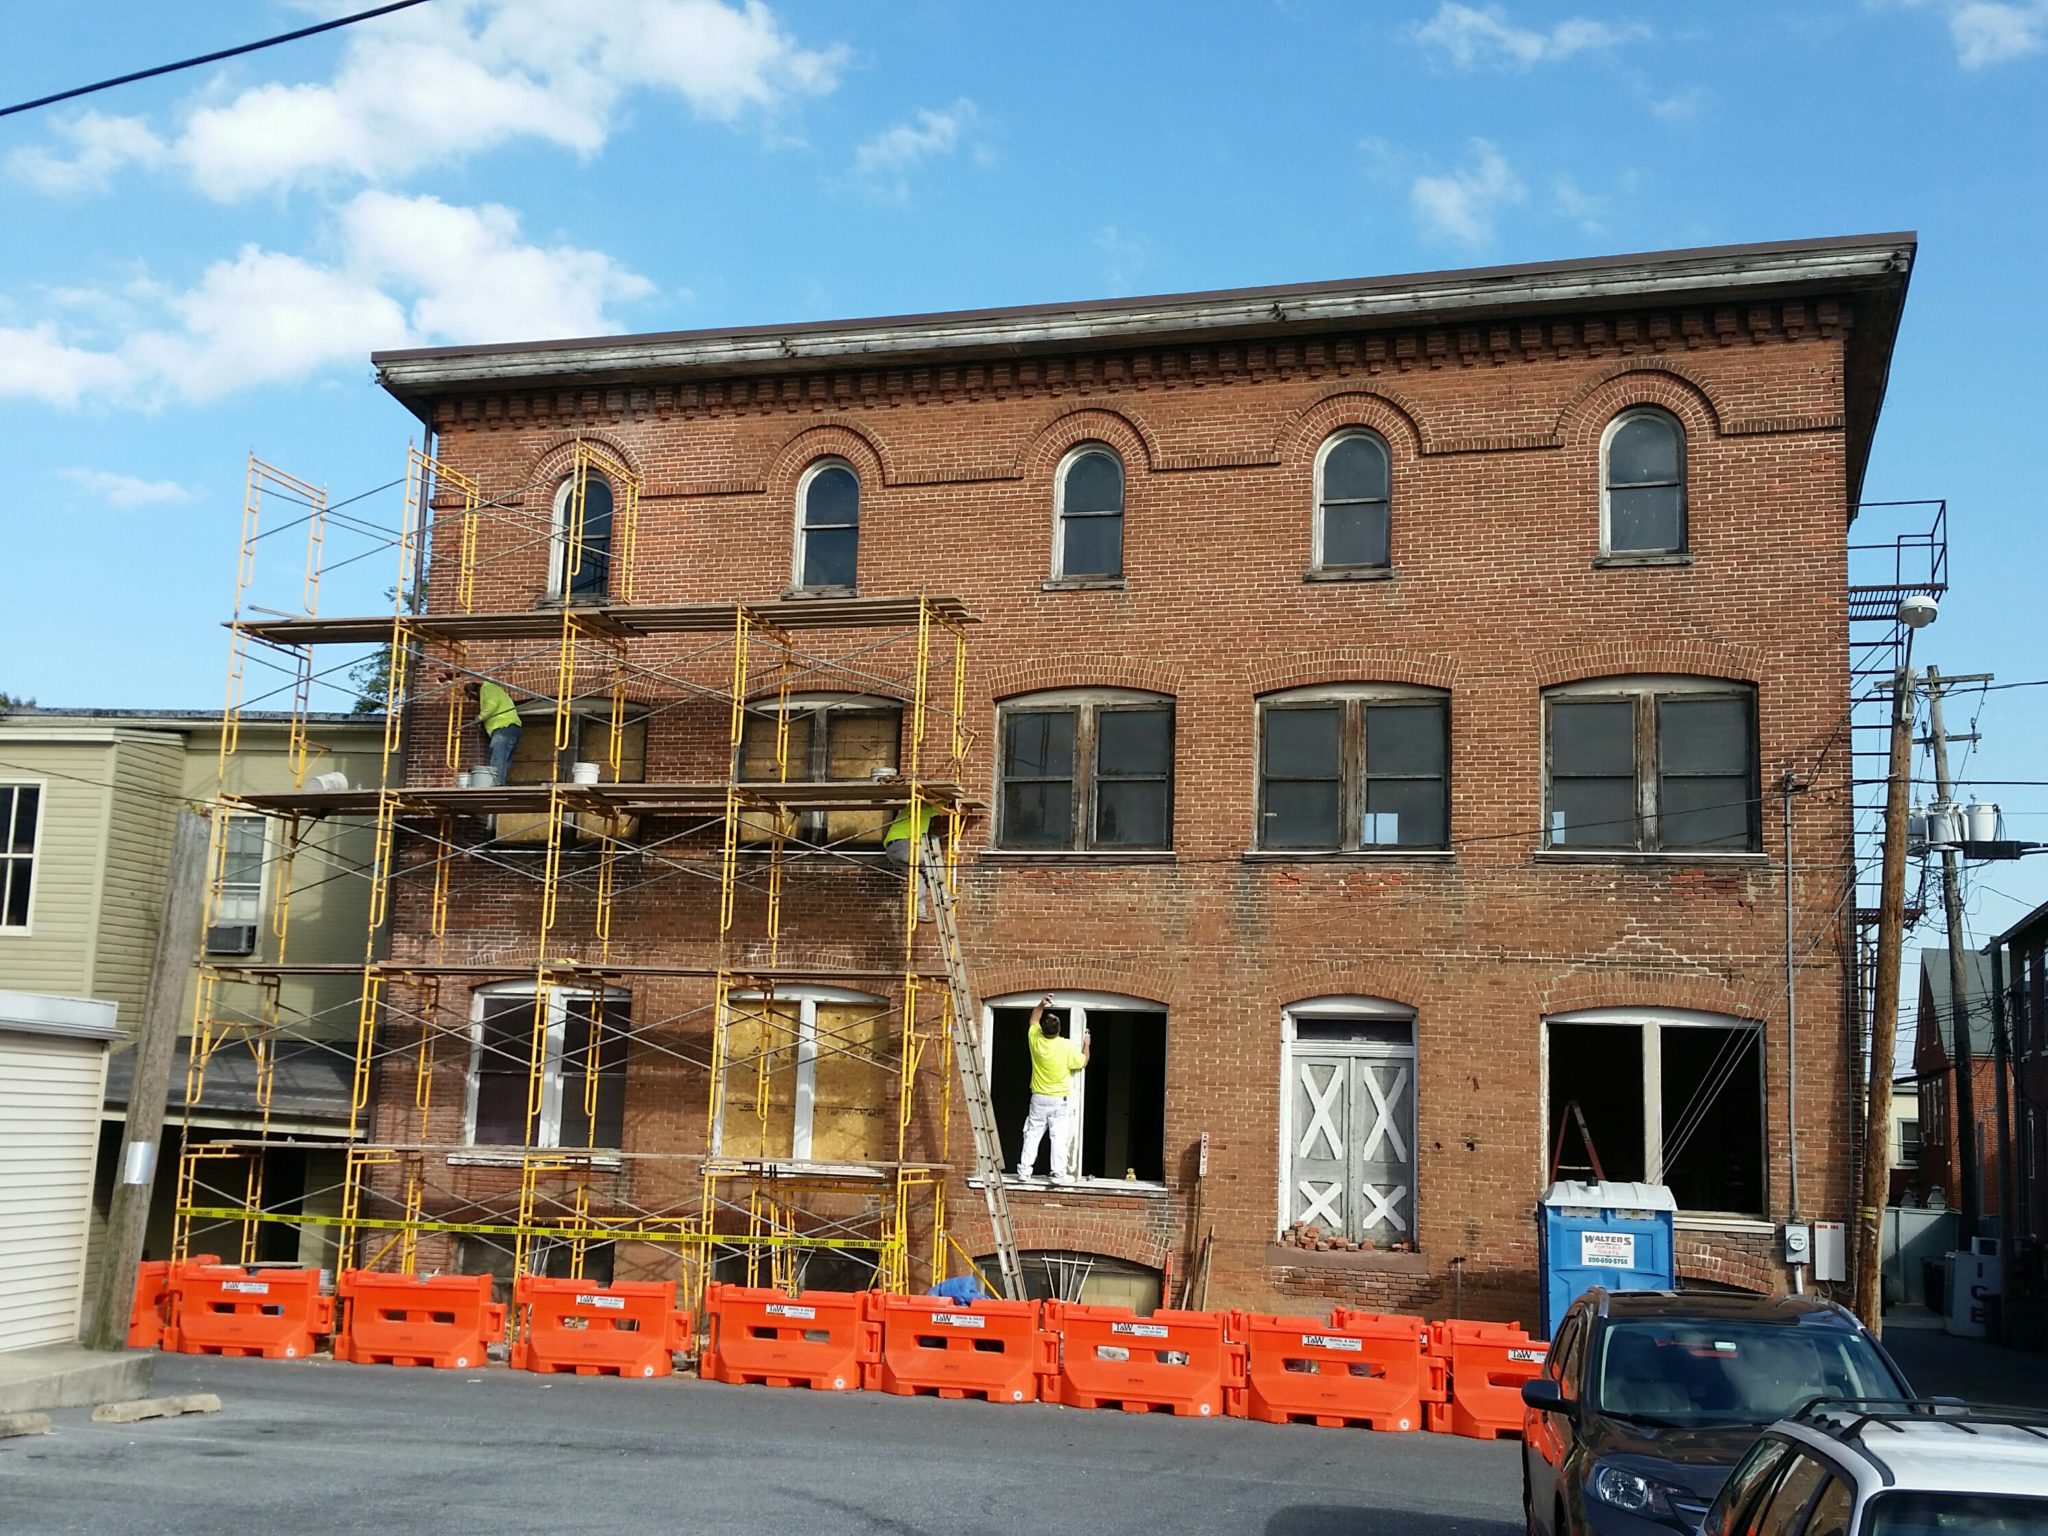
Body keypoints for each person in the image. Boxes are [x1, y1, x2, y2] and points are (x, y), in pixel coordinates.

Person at [1017, 994, 1089, 1182]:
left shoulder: (1036, 1040)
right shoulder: (1067, 1046)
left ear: (1043, 1030)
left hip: (1039, 1098)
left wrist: (1042, 1003)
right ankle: (1058, 1174)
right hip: (1059, 1100)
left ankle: (1024, 1172)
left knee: (1032, 1134)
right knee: (1058, 1137)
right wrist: (1086, 1045)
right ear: (1059, 1030)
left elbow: (1034, 1018)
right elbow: (1082, 1063)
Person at [474, 680, 522, 786]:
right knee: (503, 760)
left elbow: (491, 705)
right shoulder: (496, 690)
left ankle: (496, 784)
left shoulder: (487, 688)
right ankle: (500, 782)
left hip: (503, 727)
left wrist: (480, 717)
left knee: (497, 758)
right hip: (512, 727)